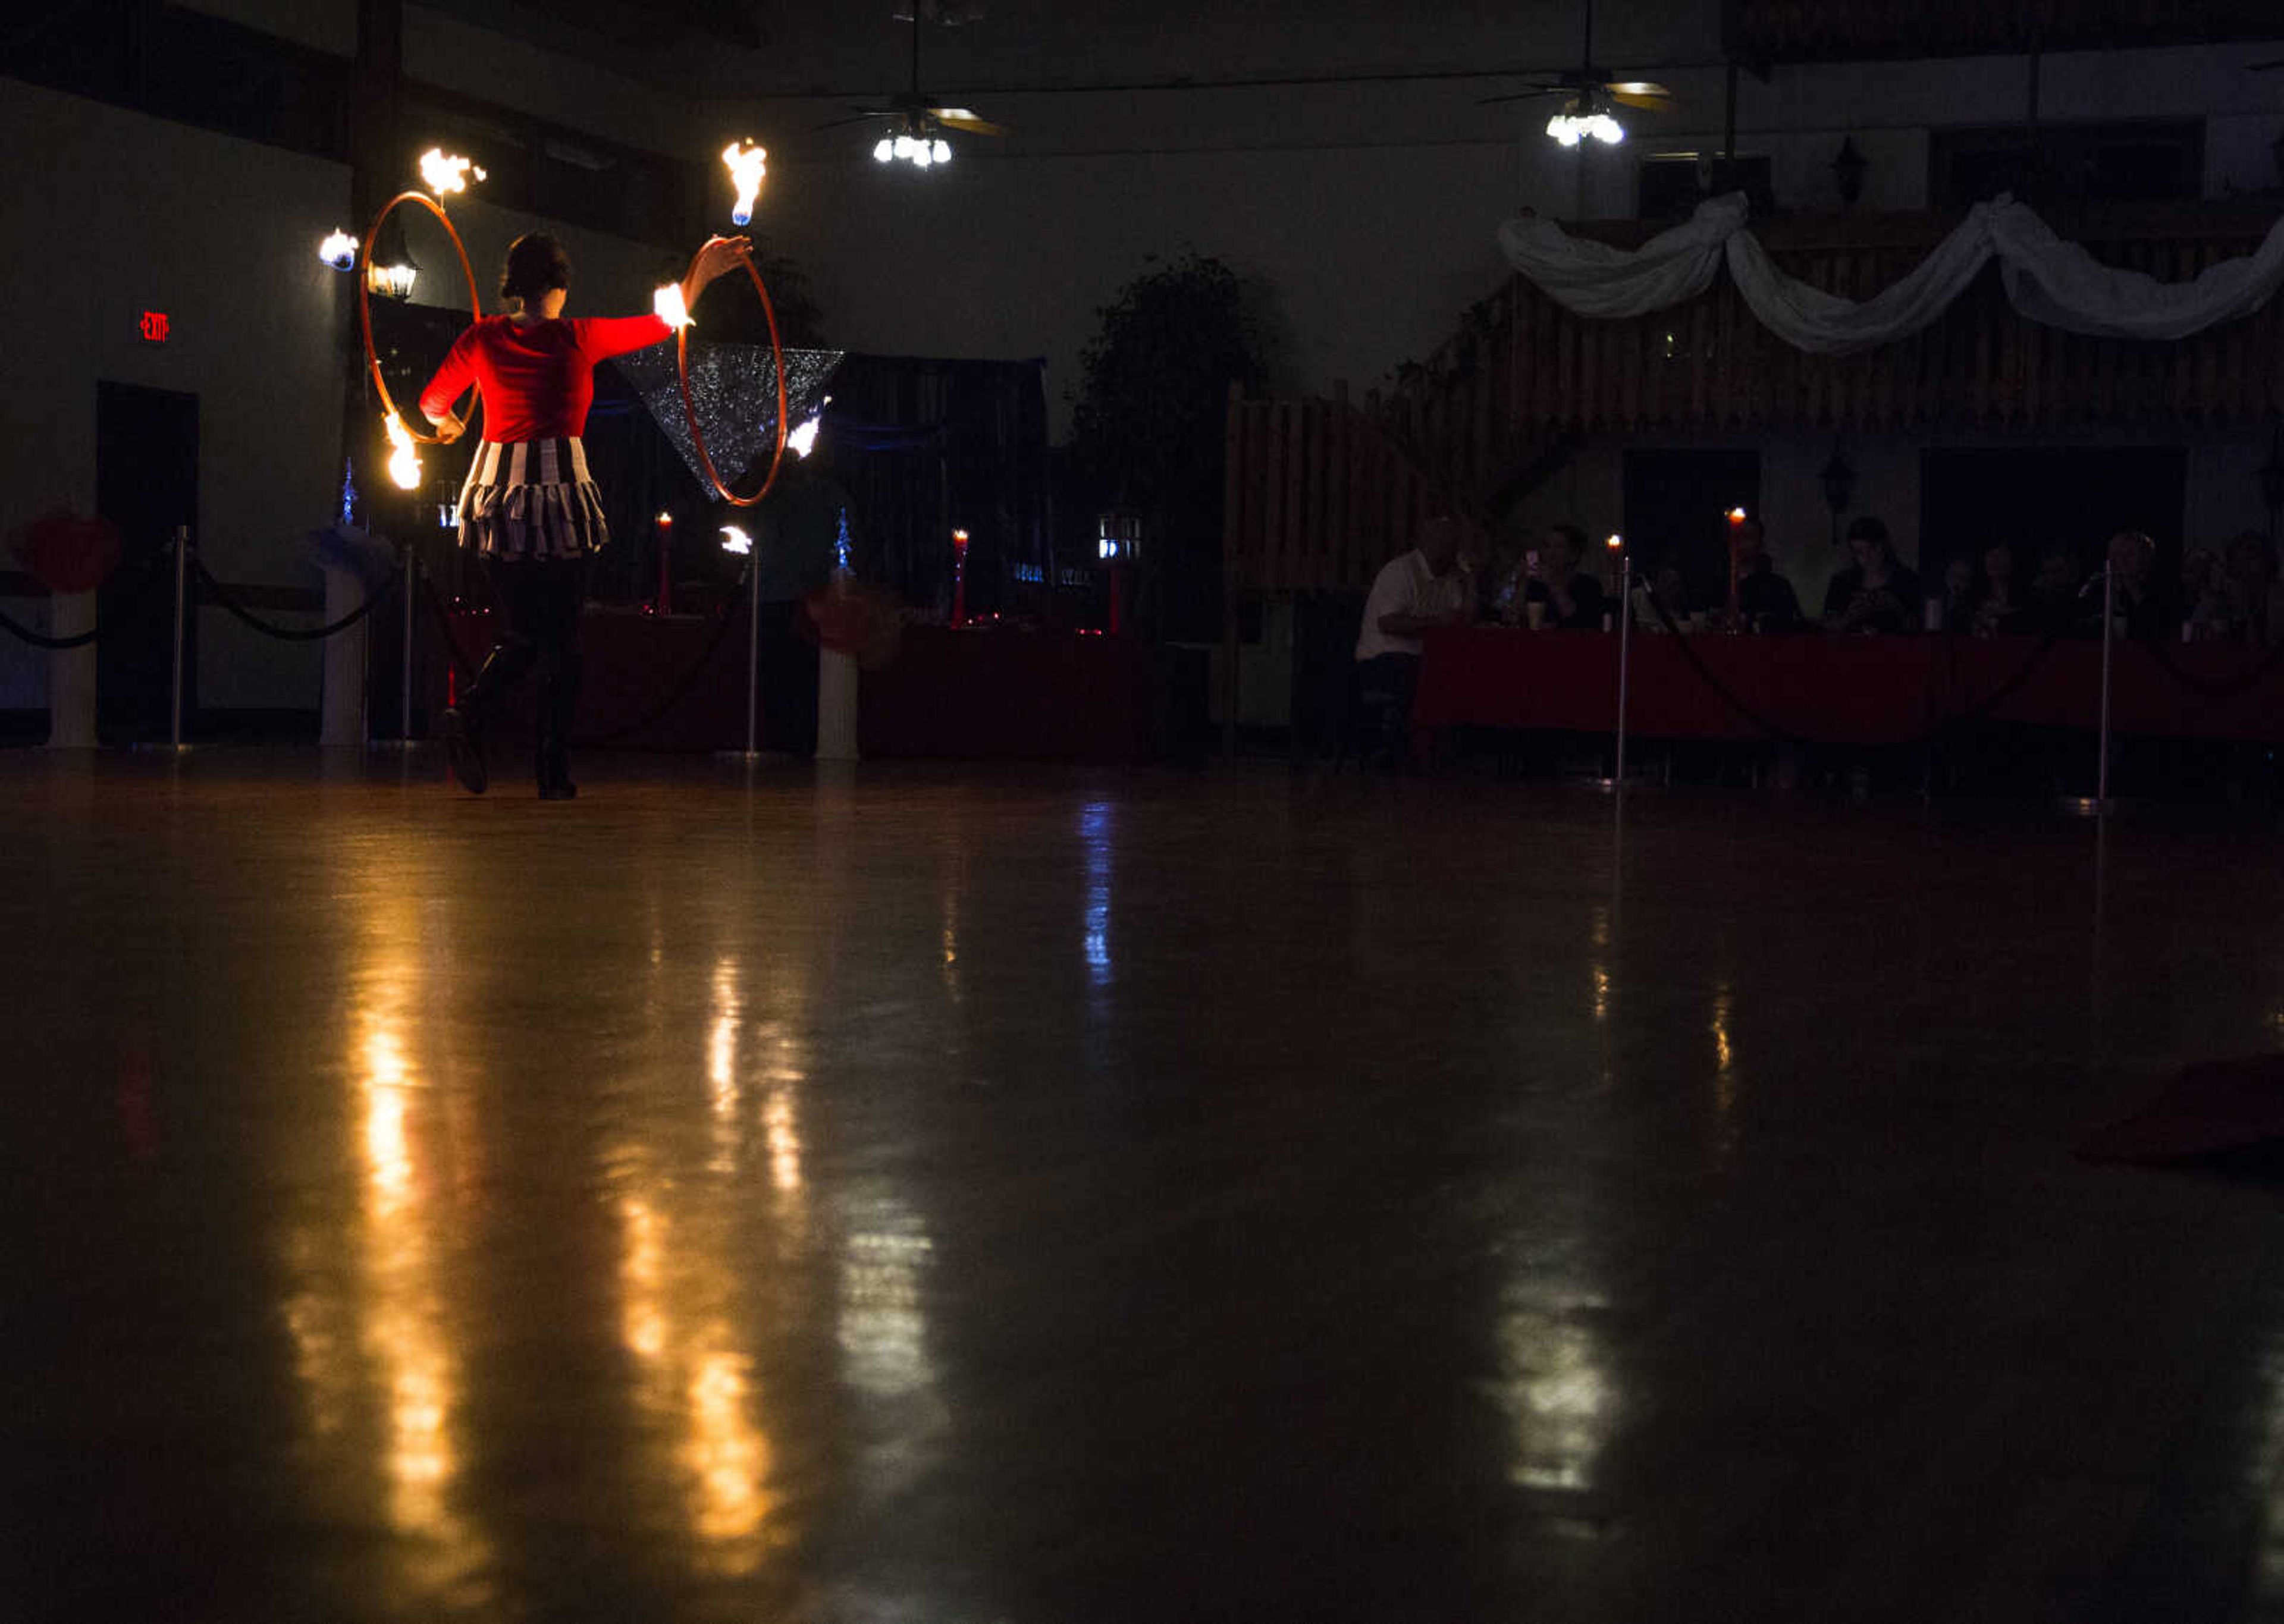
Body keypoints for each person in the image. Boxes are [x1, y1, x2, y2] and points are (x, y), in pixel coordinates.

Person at [421, 229, 755, 797]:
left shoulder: (481, 338)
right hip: (559, 498)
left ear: (513, 287)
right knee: (561, 640)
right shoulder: (579, 337)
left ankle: (479, 718)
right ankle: (541, 765)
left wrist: (448, 424)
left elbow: (432, 404)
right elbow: (664, 321)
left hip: (498, 502)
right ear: (560, 287)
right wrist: (704, 274)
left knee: (528, 632)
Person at [1353, 514, 1473, 752]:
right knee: (1421, 674)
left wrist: (1472, 580)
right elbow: (1388, 624)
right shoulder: (1400, 572)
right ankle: (1400, 748)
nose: (1451, 549)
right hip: (1383, 659)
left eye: (1454, 544)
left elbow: (1464, 619)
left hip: (1423, 659)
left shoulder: (1450, 579)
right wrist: (1437, 623)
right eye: (1447, 543)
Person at [1821, 516, 1921, 635]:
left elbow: (1920, 631)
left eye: (1873, 549)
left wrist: (1897, 608)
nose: (1867, 557)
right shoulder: (1842, 582)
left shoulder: (1907, 581)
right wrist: (1849, 617)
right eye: (1860, 552)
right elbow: (1826, 630)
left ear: (1884, 546)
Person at [1522, 523, 1608, 630]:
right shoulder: (1536, 585)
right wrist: (1522, 582)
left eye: (1559, 547)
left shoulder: (1588, 586)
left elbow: (1584, 625)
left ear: (1574, 555)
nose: (1551, 553)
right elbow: (1513, 618)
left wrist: (1554, 585)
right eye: (1547, 546)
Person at [1730, 516, 1802, 631]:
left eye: (1747, 537)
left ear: (1760, 543)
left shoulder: (1778, 587)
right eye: (1737, 537)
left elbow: (1794, 625)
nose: (1740, 543)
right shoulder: (1721, 582)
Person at [1970, 543, 2025, 637]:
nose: (1994, 560)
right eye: (1990, 554)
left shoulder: (2025, 598)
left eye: (2001, 554)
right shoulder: (1972, 598)